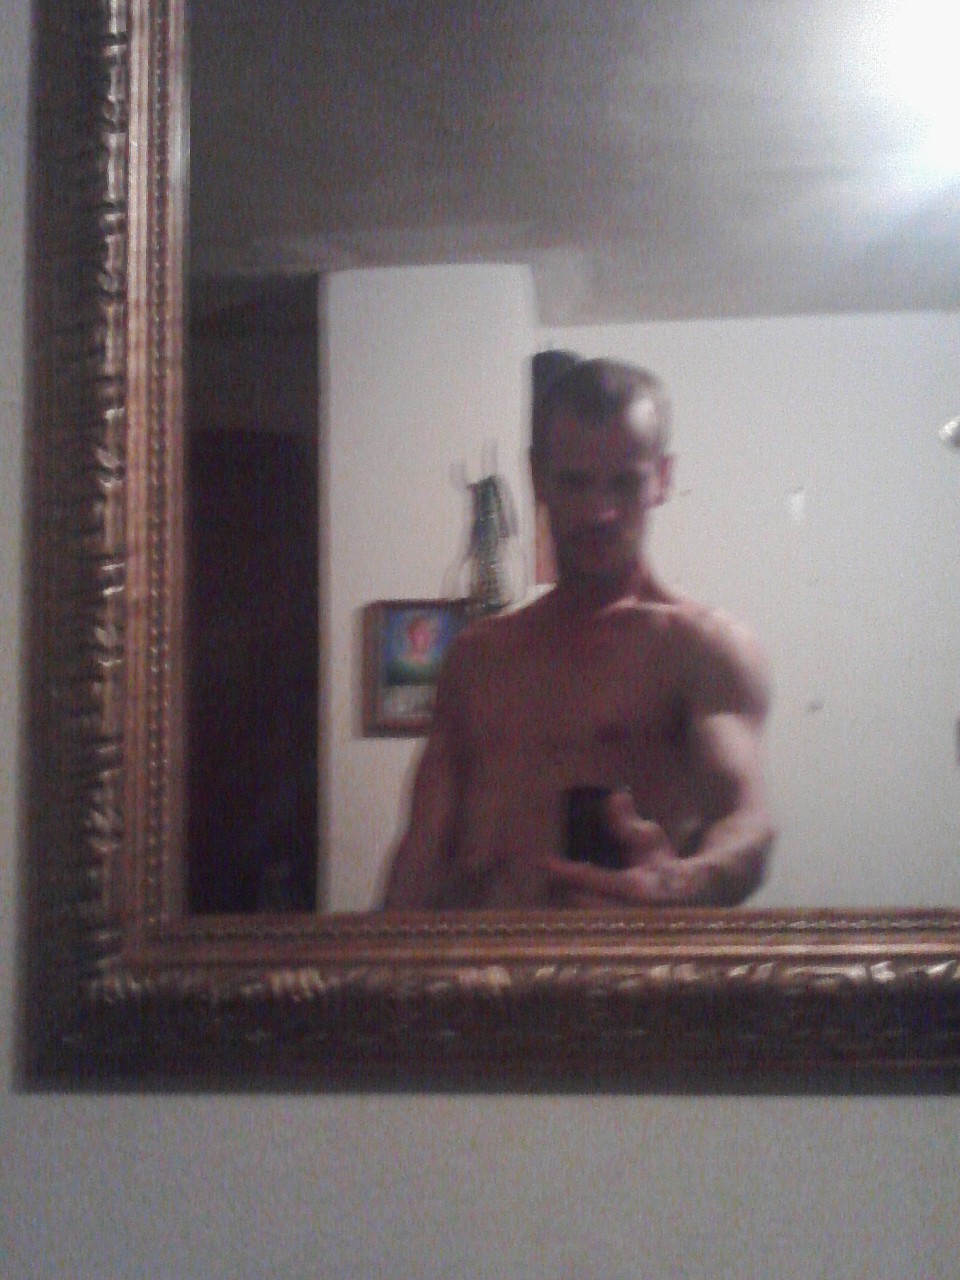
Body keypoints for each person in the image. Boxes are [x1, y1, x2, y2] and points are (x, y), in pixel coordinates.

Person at [382, 355, 774, 909]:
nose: (599, 512)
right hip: (476, 959)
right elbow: (420, 853)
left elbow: (748, 821)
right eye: (575, 481)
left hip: (622, 960)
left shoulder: (700, 649)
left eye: (624, 483)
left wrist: (677, 883)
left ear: (662, 479)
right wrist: (380, 952)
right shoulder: (477, 657)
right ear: (538, 476)